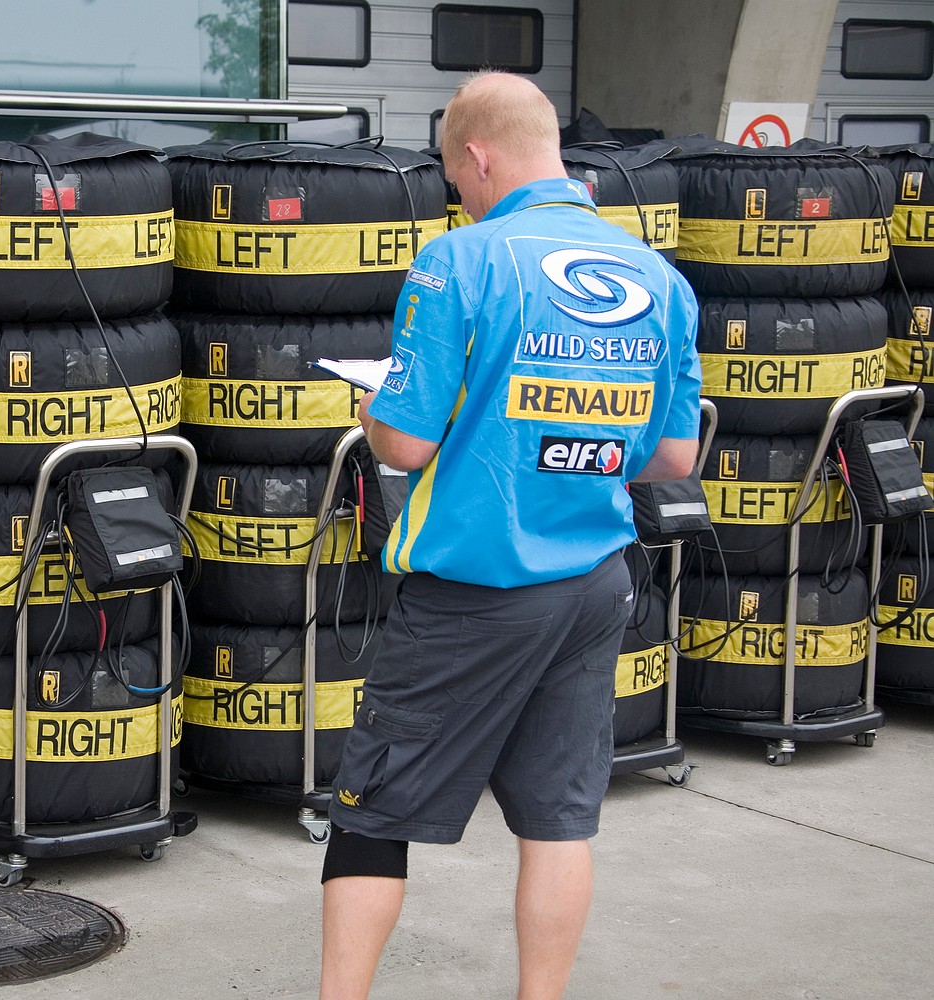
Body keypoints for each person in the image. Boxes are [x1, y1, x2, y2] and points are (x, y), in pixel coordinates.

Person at [318, 71, 701, 1000]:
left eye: (456, 176)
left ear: (479, 157)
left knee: (371, 813)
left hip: (475, 589)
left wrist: (379, 405)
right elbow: (674, 456)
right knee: (558, 819)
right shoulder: (659, 276)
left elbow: (406, 443)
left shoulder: (459, 260)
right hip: (595, 582)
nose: (459, 194)